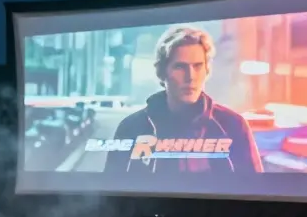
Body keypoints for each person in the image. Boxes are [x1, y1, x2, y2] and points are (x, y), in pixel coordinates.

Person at [103, 26, 263, 174]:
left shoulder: (233, 126)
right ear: (162, 72)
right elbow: (110, 194)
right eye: (180, 67)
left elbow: (255, 193)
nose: (190, 77)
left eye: (198, 66)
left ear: (207, 70)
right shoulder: (132, 128)